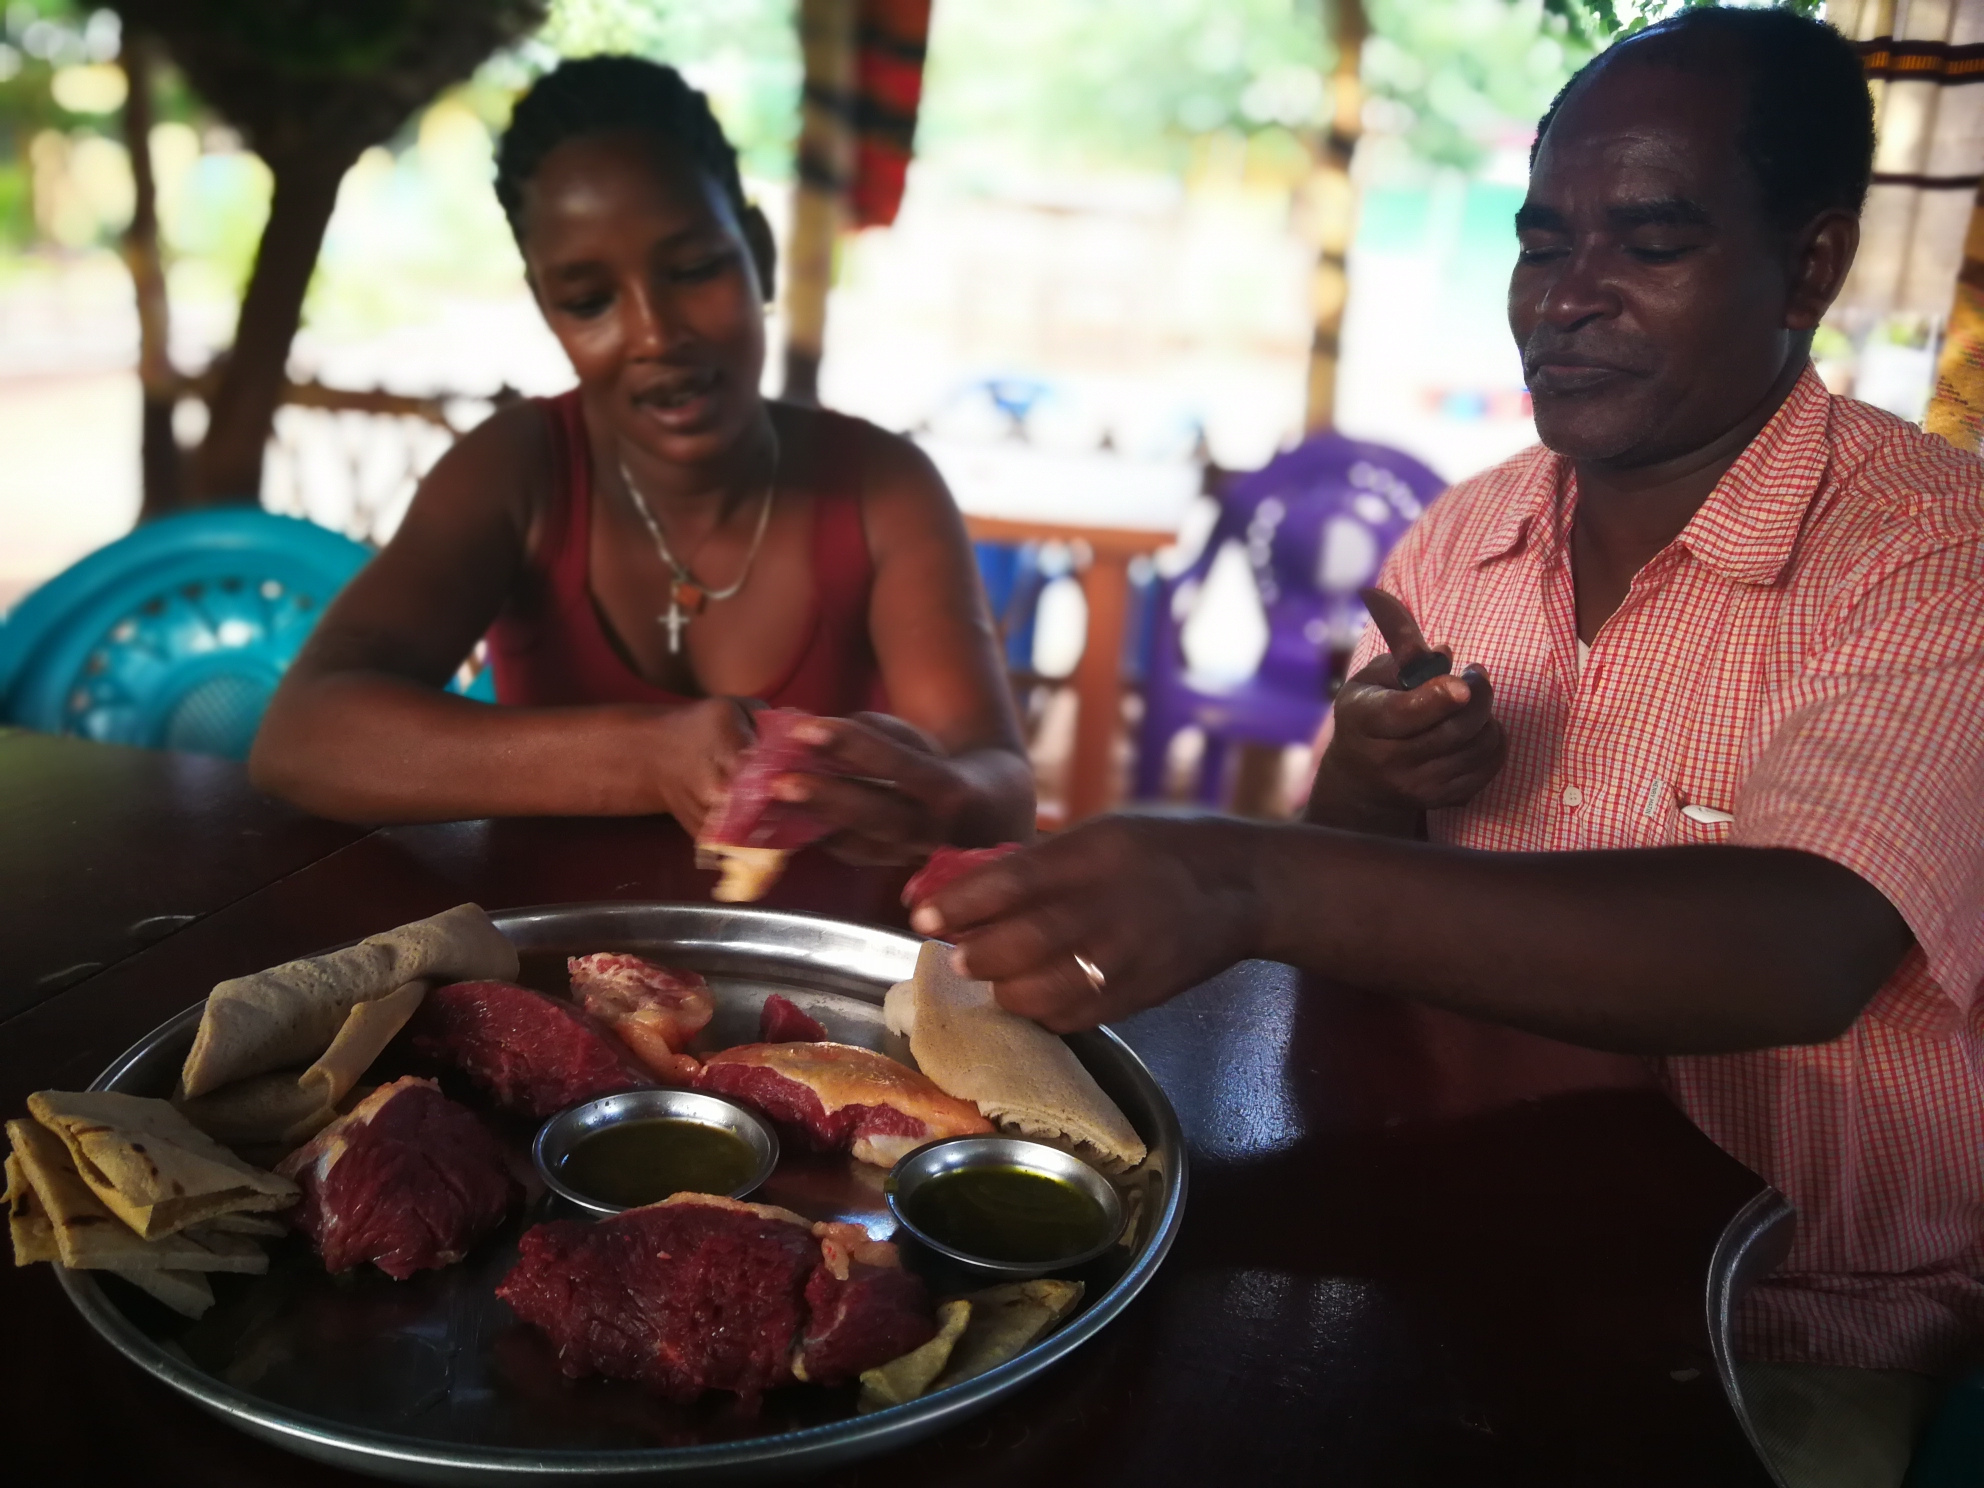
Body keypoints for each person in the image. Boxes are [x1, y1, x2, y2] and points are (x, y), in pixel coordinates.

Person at [913, 11, 1982, 1487]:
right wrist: (1362, 779)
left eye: (1650, 245)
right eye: (1543, 247)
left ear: (1810, 263)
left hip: (1781, 1334)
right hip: (1452, 1250)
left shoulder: (1931, 550)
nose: (1568, 301)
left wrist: (1246, 882)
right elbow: (1360, 923)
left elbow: (1803, 947)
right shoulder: (1466, 536)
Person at [251, 56, 1031, 864]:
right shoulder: (519, 472)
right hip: (546, 954)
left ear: (758, 252)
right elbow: (302, 739)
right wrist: (648, 755)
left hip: (805, 968)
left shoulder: (882, 490)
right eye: (590, 301)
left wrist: (930, 798)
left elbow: (999, 784)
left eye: (695, 270)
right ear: (547, 309)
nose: (656, 334)